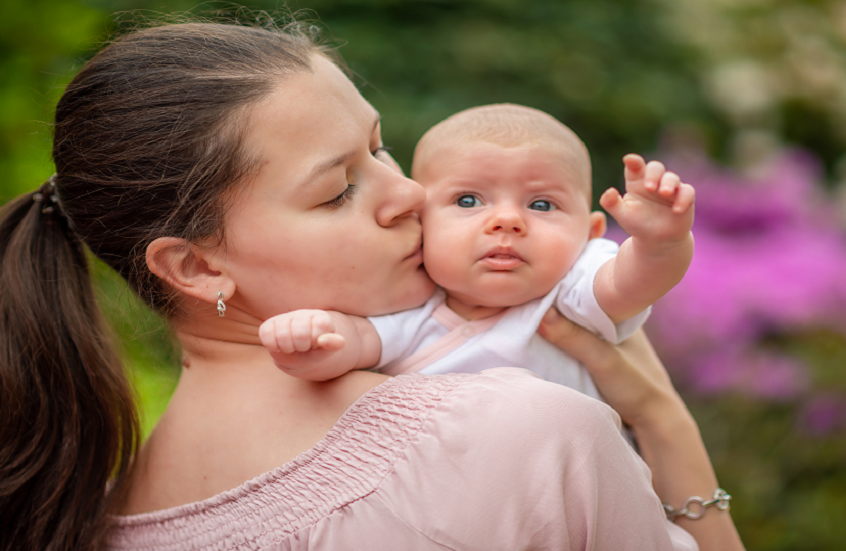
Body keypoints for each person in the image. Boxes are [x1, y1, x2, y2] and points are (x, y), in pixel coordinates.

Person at [0, 20, 742, 551]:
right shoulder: (526, 437)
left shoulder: (81, 524)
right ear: (196, 267)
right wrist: (663, 420)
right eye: (338, 191)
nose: (409, 195)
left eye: (381, 148)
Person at [259, 104, 695, 398]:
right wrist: (311, 338)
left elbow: (632, 282)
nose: (506, 221)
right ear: (420, 220)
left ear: (590, 234)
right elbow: (353, 342)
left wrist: (661, 243)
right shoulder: (412, 309)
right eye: (468, 201)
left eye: (541, 204)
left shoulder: (571, 294)